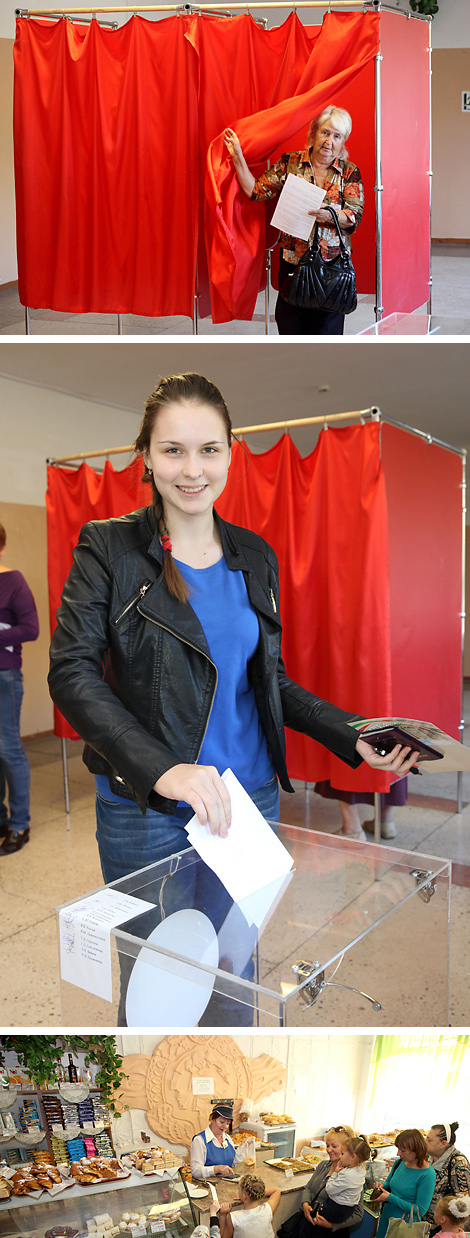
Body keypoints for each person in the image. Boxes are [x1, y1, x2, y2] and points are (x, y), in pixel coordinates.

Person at [48, 371, 417, 897]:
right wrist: (163, 770)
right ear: (147, 457)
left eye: (209, 450)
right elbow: (71, 673)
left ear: (229, 455)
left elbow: (269, 681)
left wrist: (353, 734)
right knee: (161, 974)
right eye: (173, 450)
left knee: (239, 966)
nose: (192, 470)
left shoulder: (255, 555)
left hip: (249, 798)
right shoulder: (109, 548)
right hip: (149, 806)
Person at [224, 105, 363, 336]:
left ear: (343, 141)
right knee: (290, 329)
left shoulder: (349, 172)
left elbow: (354, 216)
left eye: (336, 136)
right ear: (314, 133)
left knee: (326, 333)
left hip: (332, 265)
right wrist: (238, 156)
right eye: (325, 133)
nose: (329, 141)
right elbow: (256, 191)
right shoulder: (291, 163)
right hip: (293, 262)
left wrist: (329, 215)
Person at [0, 524, 39, 855]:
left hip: (4, 676)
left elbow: (31, 629)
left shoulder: (14, 582)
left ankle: (19, 824)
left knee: (8, 748)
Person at [293, 1134, 370, 1238]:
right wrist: (305, 1204)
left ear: (352, 1155)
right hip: (314, 1223)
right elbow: (309, 1188)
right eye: (327, 1145)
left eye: (335, 1147)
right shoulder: (323, 1165)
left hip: (334, 1234)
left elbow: (358, 1214)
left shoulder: (351, 1176)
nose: (329, 1150)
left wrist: (331, 1225)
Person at [425, 1123, 470, 1235]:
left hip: (443, 1229)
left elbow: (463, 1202)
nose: (425, 1143)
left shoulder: (458, 1163)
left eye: (429, 1140)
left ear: (443, 1144)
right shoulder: (427, 1158)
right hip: (424, 1224)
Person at [191, 1104, 245, 1180]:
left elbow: (232, 1163)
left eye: (227, 1123)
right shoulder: (200, 1140)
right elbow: (196, 1171)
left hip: (225, 1185)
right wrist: (216, 1169)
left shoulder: (227, 1138)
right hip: (208, 1187)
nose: (225, 1126)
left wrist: (243, 1148)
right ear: (212, 1118)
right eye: (222, 1122)